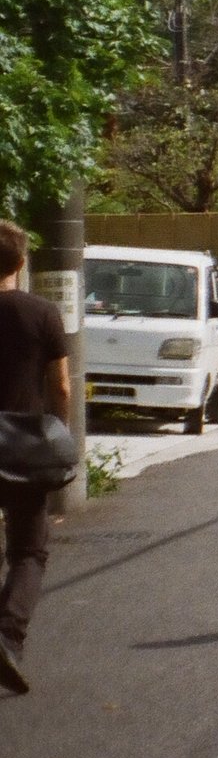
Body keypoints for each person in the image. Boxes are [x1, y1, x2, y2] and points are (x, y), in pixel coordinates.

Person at [0, 219, 70, 695]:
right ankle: (7, 636)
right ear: (21, 263)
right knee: (28, 549)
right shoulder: (42, 313)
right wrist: (58, 433)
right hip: (22, 446)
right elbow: (61, 386)